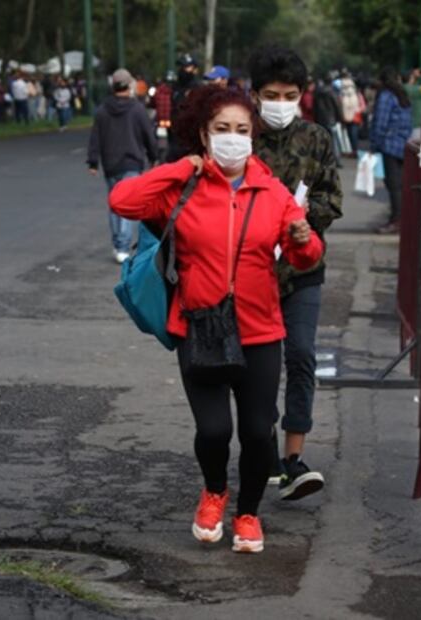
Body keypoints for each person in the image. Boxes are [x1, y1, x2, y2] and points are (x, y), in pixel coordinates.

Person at [108, 85, 324, 553]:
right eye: (222, 129)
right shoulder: (181, 187)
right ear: (204, 135)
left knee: (255, 433)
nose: (233, 138)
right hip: (199, 326)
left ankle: (248, 514)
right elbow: (122, 201)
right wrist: (181, 166)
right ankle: (213, 492)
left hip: (260, 330)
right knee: (214, 431)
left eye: (242, 130)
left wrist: (303, 238)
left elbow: (306, 257)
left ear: (253, 135)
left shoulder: (272, 191)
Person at [247, 46, 343, 501]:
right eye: (271, 94)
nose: (280, 102)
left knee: (301, 355)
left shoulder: (318, 139)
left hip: (304, 267)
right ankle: (262, 450)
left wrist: (305, 219)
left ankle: (294, 458)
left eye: (288, 94)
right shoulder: (240, 137)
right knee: (256, 368)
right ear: (254, 94)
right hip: (250, 273)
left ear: (302, 95)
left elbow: (332, 198)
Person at [86, 68, 158, 264]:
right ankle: (123, 245)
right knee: (127, 204)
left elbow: (96, 138)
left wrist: (93, 161)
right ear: (129, 85)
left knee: (114, 204)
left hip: (111, 163)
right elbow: (148, 135)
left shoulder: (102, 110)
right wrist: (154, 156)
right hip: (132, 161)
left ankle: (119, 243)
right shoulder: (137, 109)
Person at [370, 67, 413, 235]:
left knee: (393, 184)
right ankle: (400, 218)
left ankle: (396, 220)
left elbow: (381, 120)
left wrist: (375, 143)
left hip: (389, 144)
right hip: (402, 143)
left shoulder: (386, 95)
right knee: (400, 184)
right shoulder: (401, 95)